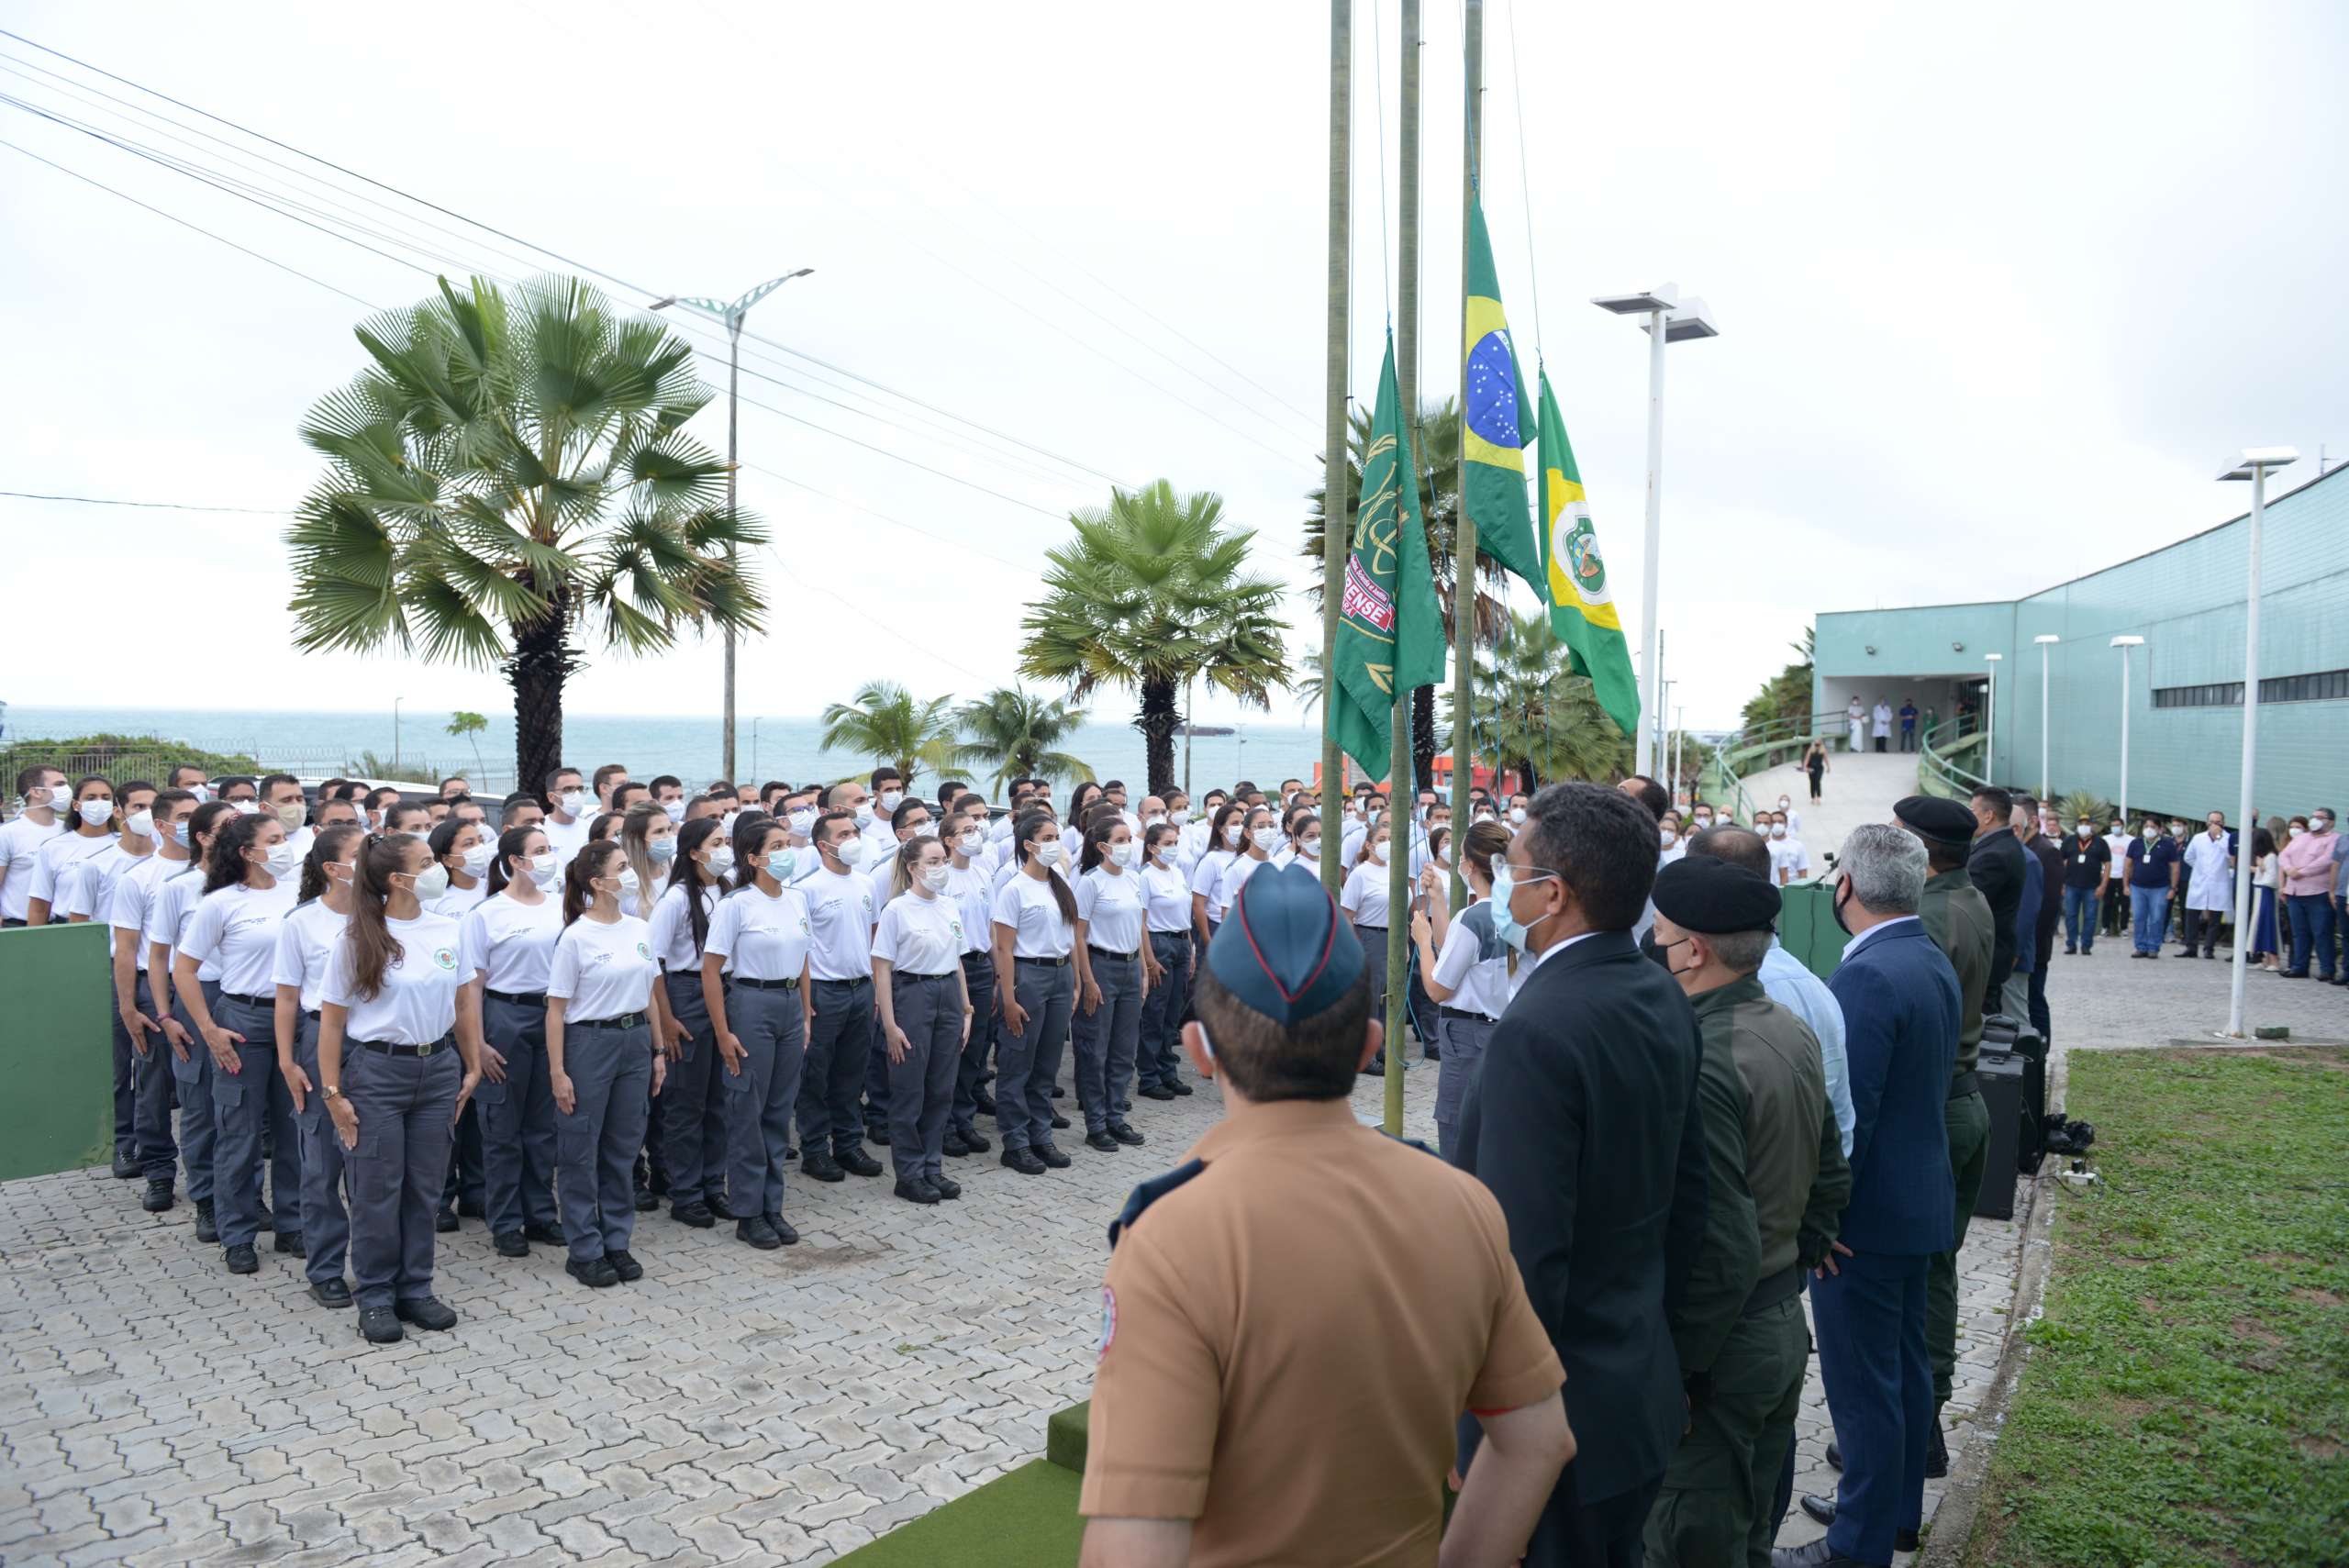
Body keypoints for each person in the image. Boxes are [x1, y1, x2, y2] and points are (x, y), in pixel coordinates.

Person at [1076, 862, 1574, 1568]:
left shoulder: (1174, 1235)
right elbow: (1538, 1438)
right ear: (1371, 1045)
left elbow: (1134, 1541)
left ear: (1199, 1053)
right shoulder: (1461, 1199)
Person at [1452, 784, 1710, 1567]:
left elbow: (1521, 1259)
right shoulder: (1660, 991)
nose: (1504, 887)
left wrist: (1484, 1434)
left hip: (1556, 1428)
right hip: (1636, 1391)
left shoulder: (1537, 1028)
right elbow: (1689, 1202)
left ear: (1553, 893)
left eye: (1515, 869)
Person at [1644, 857, 1850, 1568]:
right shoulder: (1788, 1024)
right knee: (1748, 1528)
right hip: (1775, 1322)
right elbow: (1831, 1160)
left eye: (1662, 932)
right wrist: (1811, 1238)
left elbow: (1720, 1241)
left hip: (1724, 1341)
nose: (1654, 943)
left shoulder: (1701, 1055)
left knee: (1691, 1537)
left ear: (1693, 950)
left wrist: (1683, 1369)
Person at [1779, 827, 1958, 1568]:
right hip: (1917, 1202)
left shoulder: (1868, 975)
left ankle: (1857, 1545)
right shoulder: (1925, 955)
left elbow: (1850, 1112)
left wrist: (1826, 1218)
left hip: (1869, 1219)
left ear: (1845, 885)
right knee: (1906, 1373)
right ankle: (1891, 1511)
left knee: (1864, 1388)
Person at [318, 831, 484, 1344]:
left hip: (436, 1070)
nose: (438, 868)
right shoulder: (358, 937)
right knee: (375, 1190)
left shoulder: (445, 930)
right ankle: (374, 1296)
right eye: (429, 861)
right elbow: (330, 1023)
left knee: (424, 1188)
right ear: (397, 879)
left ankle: (416, 1288)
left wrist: (473, 1064)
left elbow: (463, 1004)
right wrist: (333, 1094)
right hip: (377, 1074)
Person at [1888, 795, 1995, 1485]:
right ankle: (1918, 1424)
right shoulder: (1969, 898)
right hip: (1961, 1100)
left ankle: (1913, 1431)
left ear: (1921, 853)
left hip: (1930, 1106)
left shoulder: (1928, 915)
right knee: (1935, 1269)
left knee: (1914, 1275)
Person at [173, 810, 302, 1274]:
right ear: (247, 852)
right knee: (239, 1133)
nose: (284, 845)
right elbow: (183, 970)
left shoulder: (301, 895)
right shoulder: (221, 902)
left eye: (285, 836)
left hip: (296, 1022)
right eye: (274, 839)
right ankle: (238, 1234)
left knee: (295, 1130)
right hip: (242, 1022)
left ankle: (292, 1223)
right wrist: (208, 1027)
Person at [544, 840, 666, 1288]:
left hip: (634, 1041)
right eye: (620, 867)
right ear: (597, 883)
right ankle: (585, 1248)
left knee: (622, 1148)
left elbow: (651, 992)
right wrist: (558, 1072)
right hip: (588, 1043)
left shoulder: (638, 928)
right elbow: (555, 1010)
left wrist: (657, 1052)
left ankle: (617, 1239)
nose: (630, 873)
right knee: (580, 1150)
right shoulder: (576, 936)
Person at [455, 825, 567, 1258]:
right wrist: (477, 1044)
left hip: (551, 1015)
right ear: (516, 861)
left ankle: (540, 1213)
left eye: (548, 849)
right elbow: (472, 987)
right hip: (505, 1015)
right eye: (538, 851)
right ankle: (505, 1221)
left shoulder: (560, 907)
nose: (547, 856)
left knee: (543, 1127)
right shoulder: (487, 914)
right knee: (503, 1128)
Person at [703, 815, 813, 1247]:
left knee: (777, 1111)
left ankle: (773, 1206)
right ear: (754, 858)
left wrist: (806, 1012)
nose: (787, 852)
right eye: (778, 846)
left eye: (789, 843)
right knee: (748, 1109)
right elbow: (710, 972)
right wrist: (723, 1031)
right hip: (751, 1003)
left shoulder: (797, 900)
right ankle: (748, 1212)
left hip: (788, 1004)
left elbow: (804, 958)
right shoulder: (737, 905)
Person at [272, 824, 363, 1307]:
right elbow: (286, 997)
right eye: (360, 851)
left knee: (370, 1161)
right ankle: (326, 1267)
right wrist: (287, 1061)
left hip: (370, 1042)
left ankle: (374, 1264)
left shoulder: (384, 915)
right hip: (318, 1037)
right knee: (322, 1162)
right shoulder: (302, 922)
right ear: (332, 868)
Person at [873, 833, 974, 1205]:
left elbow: (958, 959)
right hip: (912, 993)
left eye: (942, 860)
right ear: (913, 867)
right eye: (932, 862)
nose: (940, 868)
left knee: (941, 1087)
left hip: (947, 991)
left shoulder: (948, 906)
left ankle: (933, 1166)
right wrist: (889, 1023)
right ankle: (909, 1173)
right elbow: (882, 969)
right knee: (910, 1090)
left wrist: (965, 1008)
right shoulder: (897, 909)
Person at [649, 817, 733, 1228]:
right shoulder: (678, 899)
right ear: (694, 852)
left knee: (720, 1097)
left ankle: (713, 1184)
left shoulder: (728, 890)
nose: (724, 849)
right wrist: (666, 1018)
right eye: (716, 842)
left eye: (726, 841)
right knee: (687, 1102)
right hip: (686, 995)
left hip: (726, 992)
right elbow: (652, 963)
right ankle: (686, 1192)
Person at [1410, 819, 1511, 1157]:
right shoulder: (1514, 910)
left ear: (1472, 865)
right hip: (1503, 1029)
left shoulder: (1474, 917)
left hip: (1468, 1035)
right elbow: (1453, 948)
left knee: (1458, 1127)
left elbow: (1438, 988)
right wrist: (1437, 898)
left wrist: (1423, 943)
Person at [796, 809, 885, 1184]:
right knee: (816, 1074)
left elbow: (875, 936)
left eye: (854, 832)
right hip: (823, 991)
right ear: (824, 844)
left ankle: (848, 1143)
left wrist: (878, 990)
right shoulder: (807, 889)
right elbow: (799, 950)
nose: (853, 839)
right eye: (844, 834)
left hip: (860, 988)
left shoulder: (866, 884)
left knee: (852, 1072)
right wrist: (805, 1000)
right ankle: (815, 1148)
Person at [993, 810, 1078, 1176]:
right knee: (1017, 1062)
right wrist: (1009, 998)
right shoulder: (1014, 888)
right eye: (1046, 838)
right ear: (1028, 845)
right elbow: (1004, 949)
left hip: (1059, 976)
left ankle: (1040, 1134)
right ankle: (1015, 1141)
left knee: (1047, 1063)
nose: (1053, 844)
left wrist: (1075, 981)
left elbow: (1070, 936)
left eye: (1055, 837)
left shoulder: (1058, 882)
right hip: (1028, 976)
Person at [1071, 814, 1148, 1156]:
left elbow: (1140, 928)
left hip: (1131, 966)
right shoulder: (1091, 882)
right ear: (1102, 847)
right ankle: (1096, 1123)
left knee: (1123, 1050)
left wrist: (1144, 970)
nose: (1126, 846)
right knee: (1095, 1050)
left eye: (1129, 839)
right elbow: (1078, 935)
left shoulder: (1134, 879)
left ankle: (1116, 1116)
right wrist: (1087, 979)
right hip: (1101, 965)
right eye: (1119, 840)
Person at [941, 800, 1002, 1153]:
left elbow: (990, 927)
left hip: (981, 966)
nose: (973, 835)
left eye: (975, 829)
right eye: (966, 830)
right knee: (953, 1048)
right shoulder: (943, 877)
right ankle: (946, 1123)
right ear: (949, 840)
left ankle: (964, 1119)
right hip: (954, 968)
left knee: (976, 1047)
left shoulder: (981, 874)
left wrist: (996, 969)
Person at [1133, 820, 1196, 1105]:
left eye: (1175, 843)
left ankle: (1167, 1070)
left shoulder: (1178, 872)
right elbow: (1141, 922)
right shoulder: (1145, 877)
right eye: (1167, 844)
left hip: (1181, 942)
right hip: (1159, 943)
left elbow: (1186, 911)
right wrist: (1148, 959)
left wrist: (1191, 948)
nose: (1173, 848)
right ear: (1152, 847)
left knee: (1173, 1011)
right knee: (1155, 1013)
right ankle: (1149, 1076)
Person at [28, 774, 119, 928]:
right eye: (91, 798)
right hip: (68, 932)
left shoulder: (123, 845)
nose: (99, 803)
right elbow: (39, 906)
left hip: (115, 935)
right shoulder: (54, 847)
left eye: (105, 798)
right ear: (76, 805)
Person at [1965, 787, 2025, 997]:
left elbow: (1970, 902)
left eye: (1972, 811)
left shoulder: (1996, 854)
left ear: (1988, 815)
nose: (1968, 816)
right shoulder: (2003, 845)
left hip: (1987, 957)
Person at [1340, 817, 1397, 1037]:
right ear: (1369, 845)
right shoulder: (1360, 874)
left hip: (1394, 936)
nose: (1387, 843)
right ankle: (1369, 1051)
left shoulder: (1395, 868)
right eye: (1382, 839)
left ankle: (1384, 1046)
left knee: (1390, 994)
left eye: (1390, 839)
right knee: (1372, 996)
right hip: (1371, 936)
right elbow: (1347, 915)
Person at [0, 765, 70, 926]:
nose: (67, 789)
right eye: (59, 785)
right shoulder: (8, 833)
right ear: (36, 792)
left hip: (61, 927)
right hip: (18, 927)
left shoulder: (68, 831)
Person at [2277, 806, 2338, 981]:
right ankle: (2299, 966)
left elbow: (2326, 860)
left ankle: (2327, 969)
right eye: (2313, 816)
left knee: (2322, 932)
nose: (2315, 819)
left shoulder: (2334, 839)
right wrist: (2290, 870)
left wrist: (2302, 872)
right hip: (2295, 892)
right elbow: (2284, 855)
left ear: (2331, 822)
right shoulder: (2301, 838)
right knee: (2299, 932)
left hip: (2318, 892)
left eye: (2321, 817)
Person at [2122, 817, 2182, 960]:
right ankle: (2140, 947)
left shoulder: (2167, 845)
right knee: (2138, 918)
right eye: (2146, 826)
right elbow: (2127, 865)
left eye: (2153, 826)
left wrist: (2173, 888)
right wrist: (2125, 884)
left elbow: (2175, 867)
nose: (2149, 829)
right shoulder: (2135, 843)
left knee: (2156, 918)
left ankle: (2153, 947)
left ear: (2160, 829)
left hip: (2160, 887)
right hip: (2137, 887)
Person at [2178, 811, 2233, 960]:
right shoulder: (2198, 838)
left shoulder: (2228, 838)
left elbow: (2230, 856)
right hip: (2199, 881)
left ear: (2223, 823)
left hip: (2219, 883)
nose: (2214, 824)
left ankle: (2209, 948)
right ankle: (2191, 947)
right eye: (2212, 821)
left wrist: (2219, 837)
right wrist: (2200, 868)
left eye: (2218, 821)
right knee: (2192, 915)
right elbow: (2188, 857)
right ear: (2206, 822)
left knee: (2215, 918)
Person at [2058, 815, 2112, 955]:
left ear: (2092, 825)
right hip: (2071, 885)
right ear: (2077, 825)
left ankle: (2086, 945)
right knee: (2070, 915)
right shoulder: (2069, 841)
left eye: (2087, 823)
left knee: (2090, 916)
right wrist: (2061, 883)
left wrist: (2103, 885)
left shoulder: (2100, 842)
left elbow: (2107, 864)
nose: (2084, 826)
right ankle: (2071, 944)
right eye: (2081, 823)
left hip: (2092, 886)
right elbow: (2060, 863)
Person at [2249, 826, 2281, 972]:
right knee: (2259, 924)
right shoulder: (2264, 857)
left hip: (2266, 892)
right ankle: (2265, 958)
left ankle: (2274, 960)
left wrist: (2261, 868)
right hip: (2259, 891)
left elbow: (2272, 879)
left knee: (2268, 924)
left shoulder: (2271, 857)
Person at [2099, 816, 2134, 940]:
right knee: (2107, 903)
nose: (2115, 828)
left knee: (2125, 904)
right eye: (2113, 825)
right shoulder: (2105, 839)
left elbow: (2132, 860)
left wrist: (2130, 874)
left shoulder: (2131, 840)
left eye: (2117, 825)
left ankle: (2124, 928)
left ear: (2123, 826)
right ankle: (2105, 927)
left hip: (2123, 876)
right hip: (2108, 876)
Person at [1804, 740, 1830, 804]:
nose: (1817, 746)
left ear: (1821, 745)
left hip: (1819, 768)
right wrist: (1805, 767)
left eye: (1818, 745)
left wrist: (1828, 767)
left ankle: (1818, 797)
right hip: (1811, 768)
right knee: (1812, 782)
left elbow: (1826, 759)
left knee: (1817, 781)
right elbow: (1807, 758)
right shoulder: (1810, 750)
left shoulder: (1823, 750)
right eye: (1816, 745)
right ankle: (1813, 798)